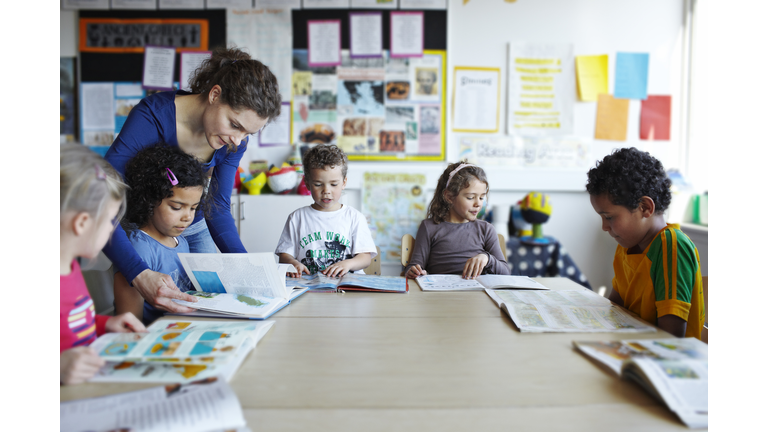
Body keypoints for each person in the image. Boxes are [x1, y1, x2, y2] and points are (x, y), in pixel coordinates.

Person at [102, 46, 282, 314]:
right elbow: (103, 199)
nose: (238, 141)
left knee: (208, 306)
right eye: (234, 125)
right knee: (145, 306)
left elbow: (217, 207)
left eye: (247, 133)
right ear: (215, 94)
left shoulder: (234, 142)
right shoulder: (152, 116)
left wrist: (249, 270)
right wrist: (138, 273)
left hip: (194, 227)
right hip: (142, 225)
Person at [586, 147, 704, 339]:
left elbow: (671, 336)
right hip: (631, 345)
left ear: (645, 207)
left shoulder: (672, 246)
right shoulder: (627, 245)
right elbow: (615, 307)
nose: (604, 227)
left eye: (609, 217)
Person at [60, 144, 146, 385]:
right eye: (110, 220)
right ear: (82, 223)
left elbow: (73, 325)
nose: (112, 229)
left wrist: (105, 324)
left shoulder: (70, 267)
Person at [114, 144, 209, 325]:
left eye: (194, 208)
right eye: (176, 207)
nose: (187, 217)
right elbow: (129, 322)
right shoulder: (139, 248)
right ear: (150, 200)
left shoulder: (180, 241)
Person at [276, 144, 377, 278]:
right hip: (309, 288)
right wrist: (292, 263)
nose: (326, 191)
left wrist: (348, 264)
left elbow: (365, 258)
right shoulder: (297, 218)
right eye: (318, 184)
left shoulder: (355, 217)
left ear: (344, 183)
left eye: (334, 184)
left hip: (347, 288)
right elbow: (284, 255)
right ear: (307, 183)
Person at [405, 162, 510, 279]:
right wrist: (414, 271)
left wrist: (487, 258)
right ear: (449, 197)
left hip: (477, 295)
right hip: (440, 294)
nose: (478, 203)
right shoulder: (429, 227)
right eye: (470, 197)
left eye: (481, 197)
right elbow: (414, 267)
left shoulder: (486, 229)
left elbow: (506, 273)